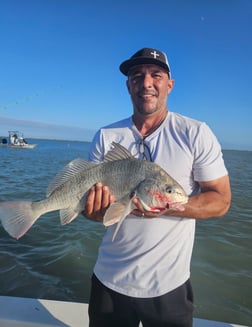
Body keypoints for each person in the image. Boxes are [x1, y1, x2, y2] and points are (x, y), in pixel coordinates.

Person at [84, 47, 231, 327]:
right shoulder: (106, 136)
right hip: (108, 279)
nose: (146, 83)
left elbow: (221, 200)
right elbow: (92, 211)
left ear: (170, 84)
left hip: (169, 287)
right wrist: (92, 211)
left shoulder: (195, 133)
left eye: (156, 75)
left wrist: (164, 206)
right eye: (137, 76)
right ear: (128, 85)